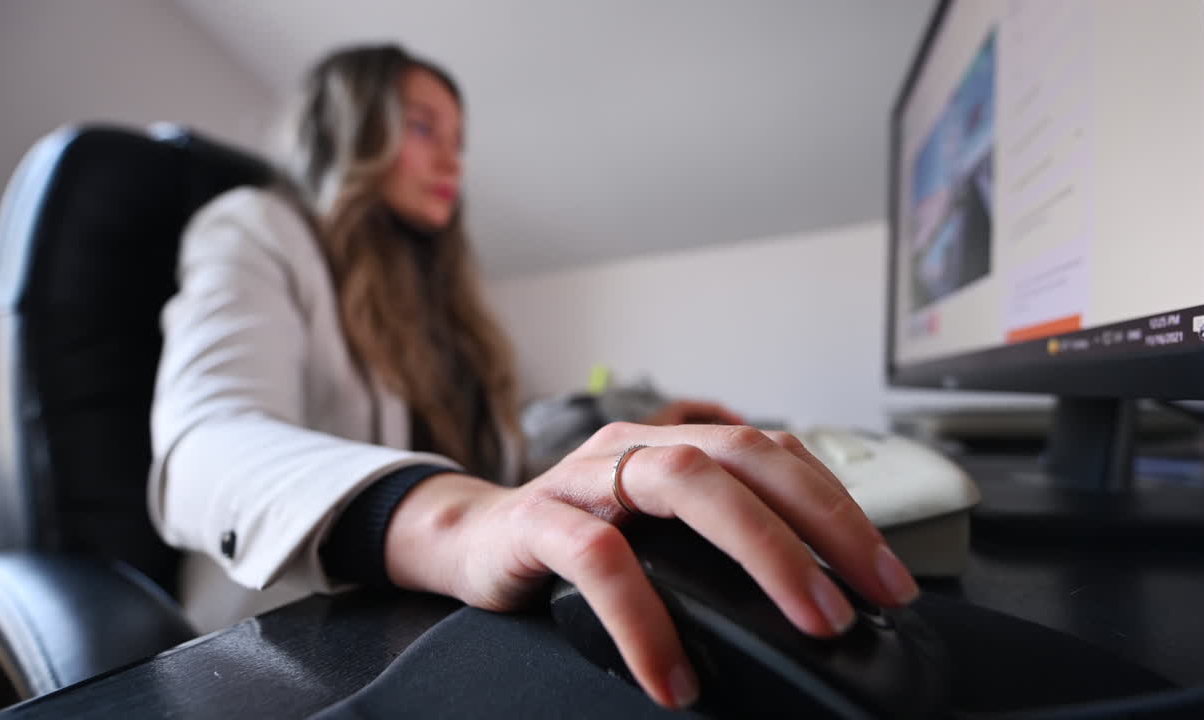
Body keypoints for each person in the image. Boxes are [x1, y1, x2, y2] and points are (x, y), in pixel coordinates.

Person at [148, 43, 919, 710]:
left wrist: (619, 444)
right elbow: (203, 444)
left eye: (459, 138)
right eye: (423, 128)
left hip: (419, 623)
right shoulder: (255, 229)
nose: (453, 158)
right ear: (347, 129)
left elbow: (494, 453)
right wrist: (455, 521)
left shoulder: (435, 295)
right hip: (273, 647)